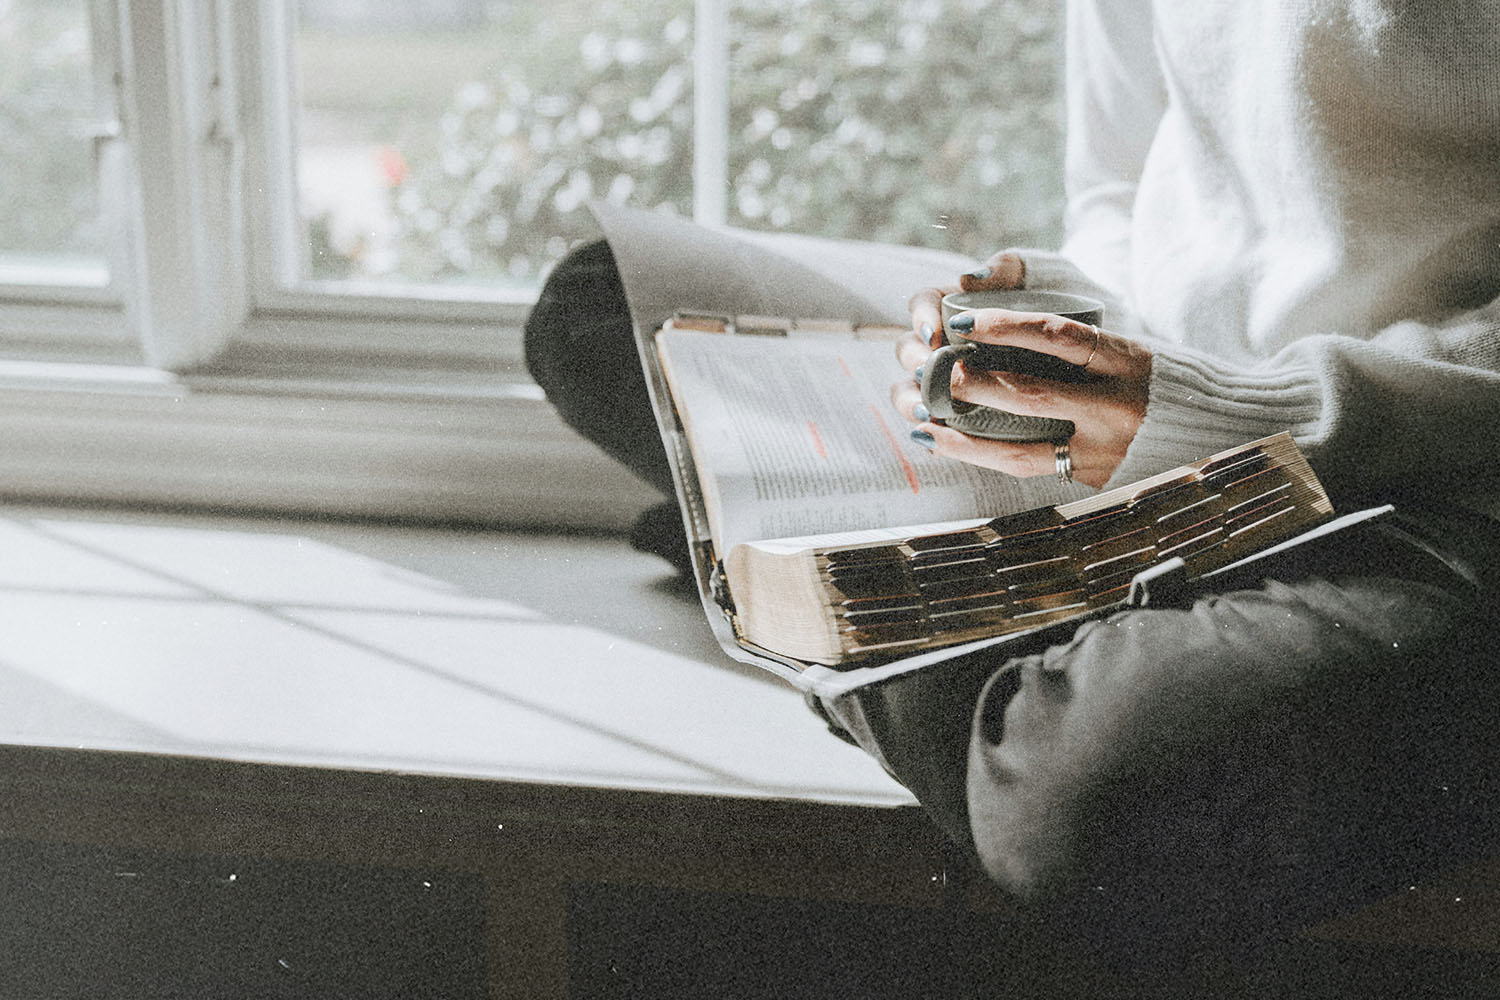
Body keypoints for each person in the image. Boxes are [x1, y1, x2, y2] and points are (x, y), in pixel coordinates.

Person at [526, 0, 1500, 979]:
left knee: (1086, 807)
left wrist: (1239, 410)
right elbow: (1117, 184)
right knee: (600, 306)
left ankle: (796, 579)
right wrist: (1072, 322)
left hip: (1445, 477)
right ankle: (987, 604)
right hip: (1172, 400)